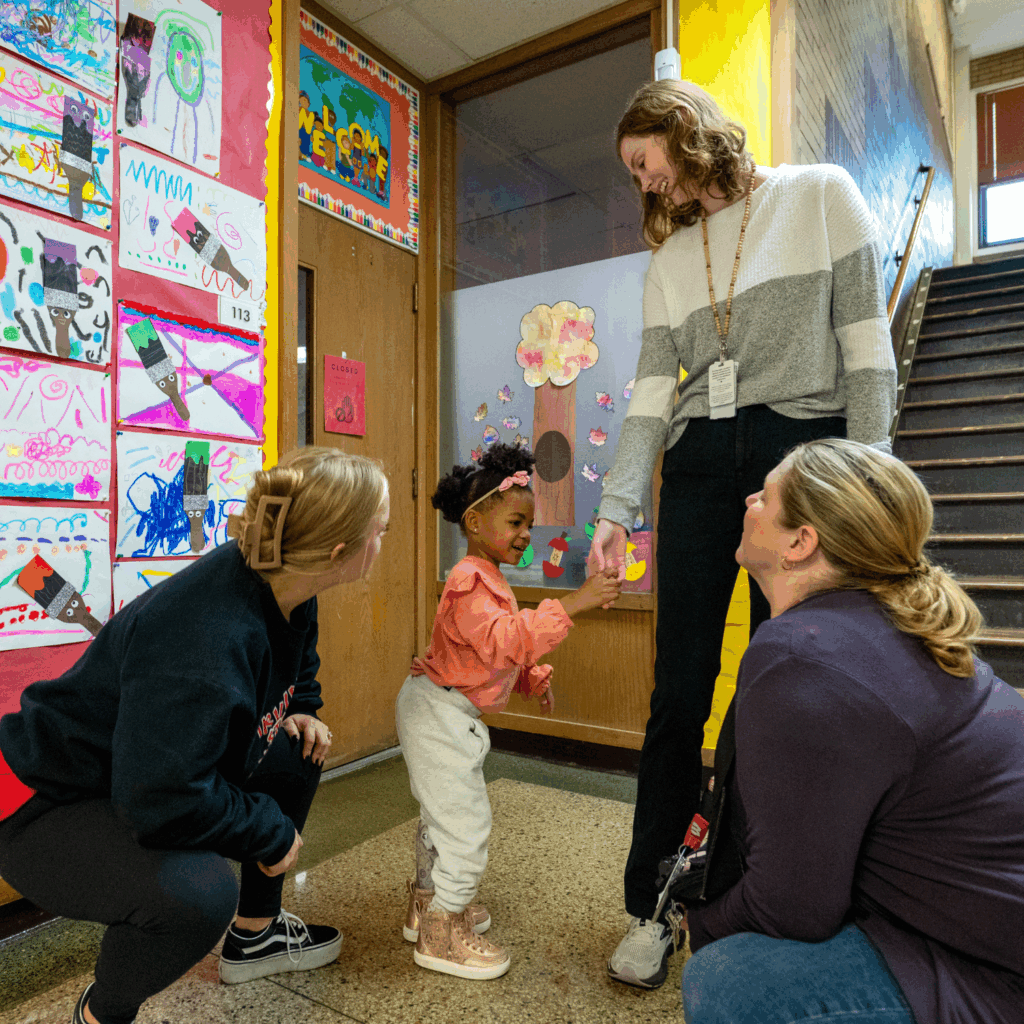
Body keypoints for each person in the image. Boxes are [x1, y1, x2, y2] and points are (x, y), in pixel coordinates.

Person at [587, 79, 898, 988]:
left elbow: (866, 341)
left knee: (778, 688)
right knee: (676, 691)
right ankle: (653, 902)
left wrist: (870, 476)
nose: (644, 185)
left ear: (680, 132)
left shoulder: (821, 194)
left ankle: (750, 895)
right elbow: (651, 392)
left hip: (801, 454)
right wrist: (614, 508)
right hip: (696, 464)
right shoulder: (671, 260)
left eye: (643, 163)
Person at [0, 447, 390, 1024]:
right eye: (380, 530)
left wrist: (302, 707)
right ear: (340, 553)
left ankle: (257, 937)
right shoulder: (203, 639)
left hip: (130, 768)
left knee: (298, 750)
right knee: (197, 897)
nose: (383, 541)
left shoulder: (286, 580)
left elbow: (294, 661)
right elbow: (159, 799)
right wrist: (267, 831)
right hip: (39, 797)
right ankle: (100, 1013)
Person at [678, 437, 1024, 1023]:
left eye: (765, 495)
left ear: (800, 541)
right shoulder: (881, 626)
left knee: (731, 982)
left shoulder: (802, 656)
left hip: (996, 972)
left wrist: (700, 922)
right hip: (984, 931)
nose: (749, 500)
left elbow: (792, 908)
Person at [397, 443, 621, 980]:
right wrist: (573, 603)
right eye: (516, 521)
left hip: (445, 711)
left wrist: (533, 677)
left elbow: (489, 655)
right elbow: (502, 642)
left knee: (442, 817)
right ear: (474, 522)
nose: (526, 534)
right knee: (467, 826)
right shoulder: (469, 581)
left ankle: (427, 903)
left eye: (530, 523)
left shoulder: (489, 578)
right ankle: (443, 932)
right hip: (439, 715)